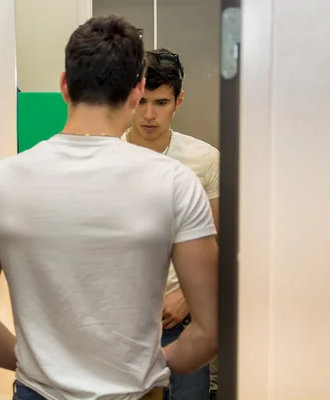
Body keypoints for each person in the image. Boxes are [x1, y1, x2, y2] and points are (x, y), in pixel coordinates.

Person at [0, 16, 218, 400]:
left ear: (64, 86)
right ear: (137, 91)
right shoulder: (176, 184)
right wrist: (149, 368)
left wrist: (37, 367)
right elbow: (212, 330)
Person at [122, 49, 220, 400]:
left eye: (161, 102)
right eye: (142, 101)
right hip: (121, 320)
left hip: (180, 318)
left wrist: (188, 298)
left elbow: (217, 241)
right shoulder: (107, 156)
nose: (149, 115)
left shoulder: (204, 159)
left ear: (178, 101)